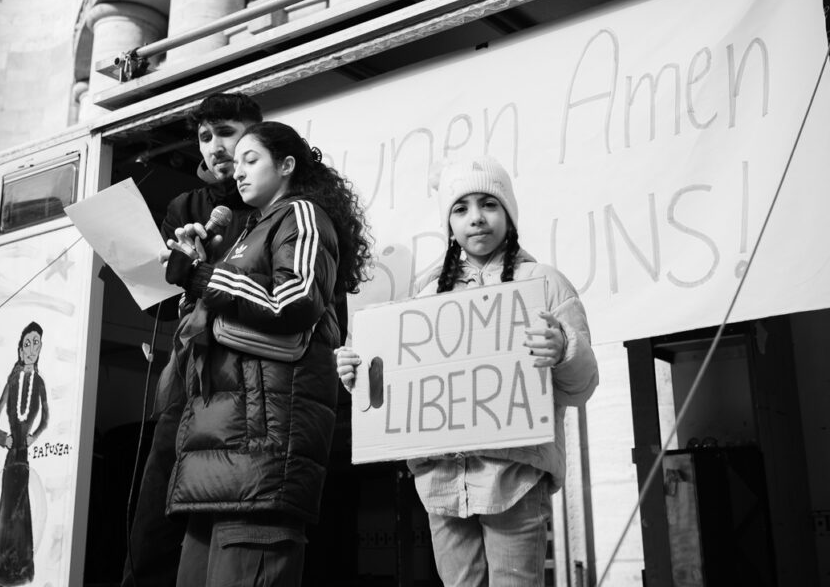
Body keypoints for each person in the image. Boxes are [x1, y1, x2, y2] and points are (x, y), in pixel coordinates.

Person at [335, 156, 598, 587]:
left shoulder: (545, 284)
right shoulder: (423, 292)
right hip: (439, 482)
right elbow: (400, 385)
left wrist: (564, 348)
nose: (476, 218)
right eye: (461, 209)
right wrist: (358, 375)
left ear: (509, 216)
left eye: (489, 204)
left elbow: (581, 386)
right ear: (450, 224)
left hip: (514, 478)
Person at [163, 121, 371, 587]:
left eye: (250, 160)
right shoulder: (244, 233)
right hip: (214, 453)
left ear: (287, 165)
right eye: (234, 165)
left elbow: (292, 300)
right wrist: (196, 271)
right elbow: (214, 319)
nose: (237, 173)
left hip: (261, 451)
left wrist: (202, 278)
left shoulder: (302, 216)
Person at [122, 93, 262, 587]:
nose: (215, 147)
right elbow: (161, 309)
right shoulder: (184, 206)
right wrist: (166, 271)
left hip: (248, 378)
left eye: (225, 132)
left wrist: (208, 273)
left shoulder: (280, 204)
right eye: (205, 138)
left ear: (255, 133)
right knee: (153, 526)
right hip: (186, 376)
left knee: (227, 527)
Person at [0, 321, 50, 587]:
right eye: (27, 343)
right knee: (9, 508)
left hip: (25, 458)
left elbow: (45, 418)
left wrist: (35, 436)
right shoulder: (12, 381)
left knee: (21, 511)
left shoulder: (40, 383)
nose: (32, 348)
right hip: (12, 457)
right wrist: (4, 438)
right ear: (20, 349)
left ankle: (20, 569)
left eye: (36, 343)